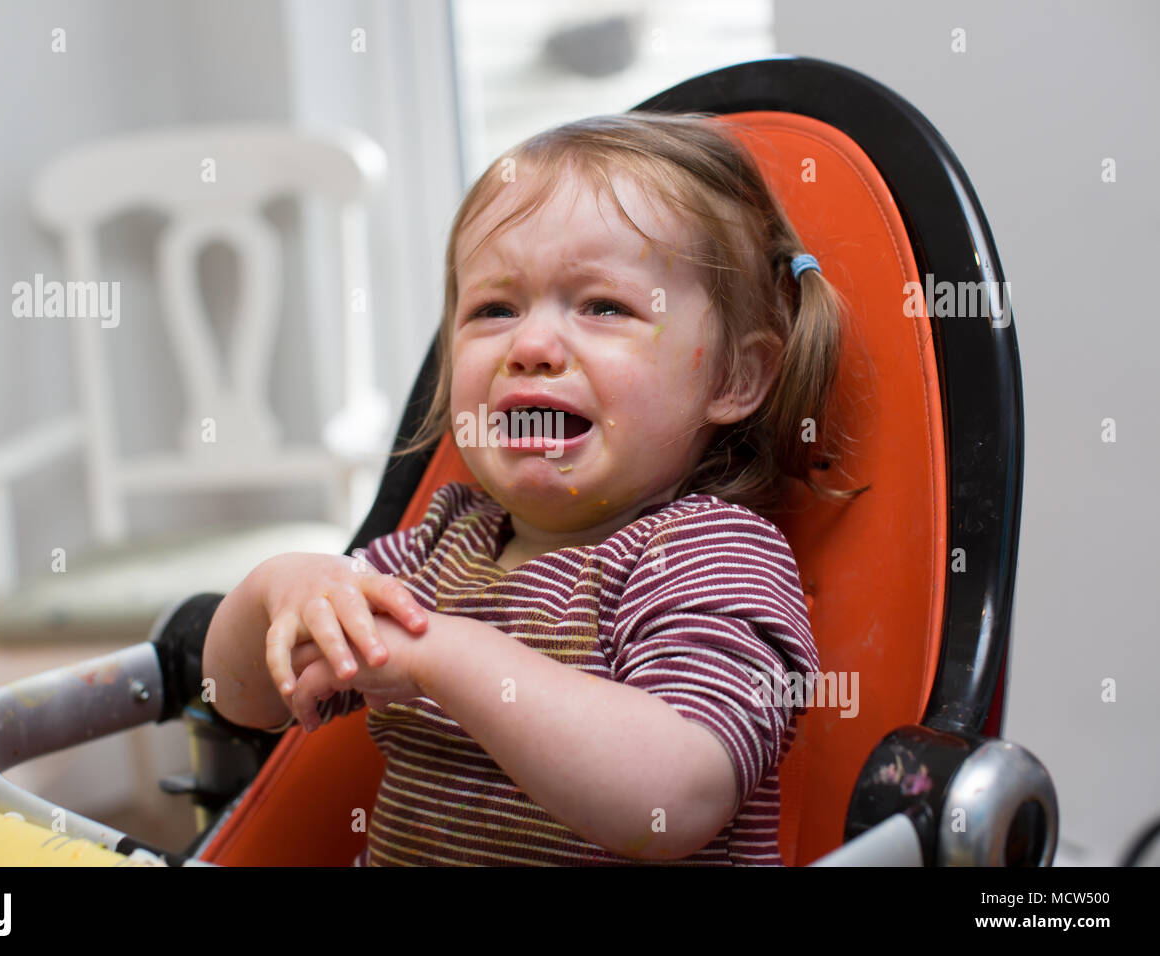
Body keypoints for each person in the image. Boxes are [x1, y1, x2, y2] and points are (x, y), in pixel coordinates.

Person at [201, 111, 867, 865]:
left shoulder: (706, 556)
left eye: (602, 306)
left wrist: (438, 655)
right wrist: (277, 588)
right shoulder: (438, 545)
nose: (532, 347)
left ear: (734, 376)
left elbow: (671, 801)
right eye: (493, 309)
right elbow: (238, 701)